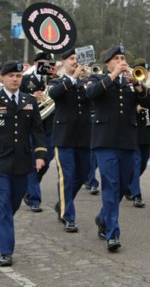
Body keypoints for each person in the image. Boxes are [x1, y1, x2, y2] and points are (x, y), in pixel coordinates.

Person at [0, 60, 47, 267]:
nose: (15, 79)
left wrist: (40, 154)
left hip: (23, 163)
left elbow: (37, 131)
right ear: (2, 78)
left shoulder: (29, 101)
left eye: (18, 76)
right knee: (3, 205)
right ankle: (6, 251)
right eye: (11, 76)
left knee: (13, 204)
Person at [86, 46, 150, 251]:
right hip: (105, 142)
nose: (121, 61)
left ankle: (103, 218)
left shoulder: (131, 82)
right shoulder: (98, 79)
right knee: (111, 185)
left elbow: (149, 103)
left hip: (127, 141)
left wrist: (139, 86)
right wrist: (114, 75)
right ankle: (112, 234)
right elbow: (91, 94)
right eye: (116, 58)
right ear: (108, 63)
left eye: (123, 58)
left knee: (124, 186)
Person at [48, 49, 92, 232]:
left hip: (84, 136)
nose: (75, 62)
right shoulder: (57, 81)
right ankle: (69, 216)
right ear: (63, 62)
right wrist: (73, 78)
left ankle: (63, 204)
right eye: (72, 59)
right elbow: (54, 94)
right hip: (64, 137)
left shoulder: (87, 82)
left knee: (81, 176)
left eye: (77, 59)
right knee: (66, 177)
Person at [20, 52, 57, 212]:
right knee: (33, 161)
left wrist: (56, 76)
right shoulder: (25, 79)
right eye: (42, 62)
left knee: (46, 161)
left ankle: (29, 186)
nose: (45, 65)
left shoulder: (54, 79)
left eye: (47, 63)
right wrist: (31, 96)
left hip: (49, 126)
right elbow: (17, 97)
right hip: (30, 126)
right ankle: (33, 198)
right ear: (35, 63)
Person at [126, 62, 150, 208]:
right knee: (136, 163)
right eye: (141, 71)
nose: (145, 74)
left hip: (146, 132)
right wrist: (136, 109)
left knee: (142, 163)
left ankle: (128, 186)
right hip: (133, 131)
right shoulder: (129, 89)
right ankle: (137, 195)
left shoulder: (148, 90)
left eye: (146, 71)